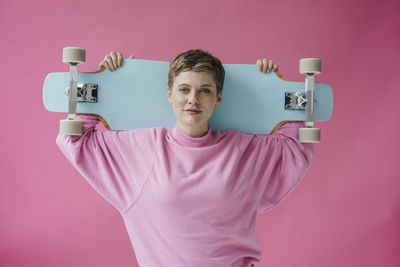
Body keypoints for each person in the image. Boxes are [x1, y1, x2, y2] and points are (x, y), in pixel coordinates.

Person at [56, 49, 314, 267]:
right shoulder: (145, 147)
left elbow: (296, 148)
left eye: (204, 90)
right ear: (170, 94)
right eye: (184, 89)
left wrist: (273, 90)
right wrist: (107, 87)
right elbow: (76, 140)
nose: (193, 99)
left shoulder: (240, 149)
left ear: (218, 97)